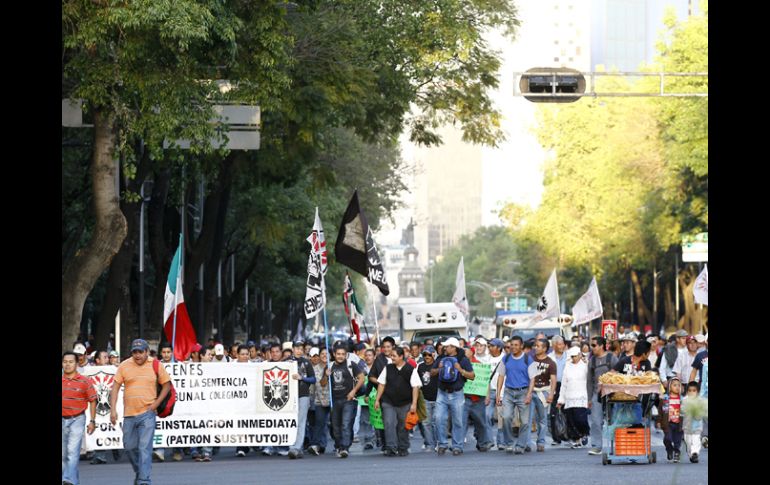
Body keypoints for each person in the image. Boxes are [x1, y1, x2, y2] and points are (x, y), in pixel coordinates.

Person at [109, 339, 171, 485]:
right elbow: (115, 388)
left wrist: (155, 404)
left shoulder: (156, 364)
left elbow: (167, 385)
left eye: (141, 352)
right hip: (129, 414)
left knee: (144, 448)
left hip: (147, 413)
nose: (137, 355)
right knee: (129, 447)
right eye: (135, 352)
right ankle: (140, 472)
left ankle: (144, 480)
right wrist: (113, 410)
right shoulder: (124, 365)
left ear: (147, 352)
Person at [374, 347, 422, 457]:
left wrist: (414, 404)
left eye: (394, 356)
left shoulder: (410, 369)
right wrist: (377, 400)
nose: (392, 358)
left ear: (401, 357)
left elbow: (415, 387)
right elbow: (381, 384)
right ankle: (391, 447)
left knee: (403, 425)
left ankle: (403, 447)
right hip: (388, 401)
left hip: (405, 403)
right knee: (389, 423)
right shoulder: (388, 368)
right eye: (391, 356)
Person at [431, 337, 475, 456]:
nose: (445, 348)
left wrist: (460, 370)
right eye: (445, 346)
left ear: (454, 347)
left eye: (448, 346)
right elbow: (432, 373)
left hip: (457, 394)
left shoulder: (462, 359)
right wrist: (438, 368)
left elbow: (472, 376)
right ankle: (442, 444)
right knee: (439, 418)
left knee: (458, 421)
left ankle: (457, 446)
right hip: (442, 393)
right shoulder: (441, 358)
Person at [62, 351, 98, 485]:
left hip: (77, 418)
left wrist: (92, 421)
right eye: (65, 362)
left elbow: (93, 400)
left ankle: (67, 480)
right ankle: (73, 481)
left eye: (71, 362)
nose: (67, 364)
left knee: (72, 451)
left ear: (77, 364)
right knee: (64, 455)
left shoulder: (85, 381)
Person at [328, 344, 366, 458]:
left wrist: (353, 391)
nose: (340, 356)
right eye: (338, 354)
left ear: (346, 355)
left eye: (343, 354)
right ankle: (339, 445)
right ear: (334, 354)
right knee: (336, 426)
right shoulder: (329, 366)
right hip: (334, 400)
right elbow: (323, 384)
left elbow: (362, 378)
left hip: (348, 399)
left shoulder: (351, 364)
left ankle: (345, 447)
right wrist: (326, 376)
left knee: (346, 424)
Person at [497, 336, 531, 454]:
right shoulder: (505, 359)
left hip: (523, 392)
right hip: (509, 392)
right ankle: (509, 443)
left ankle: (521, 445)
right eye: (512, 345)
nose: (513, 347)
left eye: (516, 345)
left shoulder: (528, 359)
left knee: (525, 421)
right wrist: (498, 394)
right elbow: (501, 376)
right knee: (506, 417)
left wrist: (529, 394)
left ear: (521, 346)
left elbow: (533, 378)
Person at [586, 336, 618, 455]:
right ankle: (596, 446)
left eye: (594, 345)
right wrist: (589, 398)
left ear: (601, 346)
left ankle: (616, 446)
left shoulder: (612, 358)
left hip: (612, 394)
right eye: (591, 345)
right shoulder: (592, 361)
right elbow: (589, 381)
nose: (592, 348)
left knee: (614, 420)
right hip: (596, 395)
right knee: (595, 420)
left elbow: (619, 375)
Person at [526, 338, 557, 453]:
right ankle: (527, 443)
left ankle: (541, 442)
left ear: (545, 348)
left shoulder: (551, 363)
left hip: (543, 392)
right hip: (531, 391)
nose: (535, 348)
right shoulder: (530, 360)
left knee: (542, 420)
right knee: (527, 419)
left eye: (538, 346)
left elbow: (553, 380)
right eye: (535, 346)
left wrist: (551, 395)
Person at [287, 340, 316, 459]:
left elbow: (313, 379)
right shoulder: (286, 362)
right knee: (290, 421)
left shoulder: (306, 362)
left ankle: (297, 447)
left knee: (301, 421)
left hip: (303, 394)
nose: (299, 351)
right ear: (293, 349)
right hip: (288, 395)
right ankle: (291, 445)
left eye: (301, 348)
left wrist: (302, 378)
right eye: (297, 348)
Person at [556, 347, 589, 448]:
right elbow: (564, 384)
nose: (574, 358)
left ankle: (584, 433)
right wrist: (561, 400)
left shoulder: (585, 366)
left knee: (581, 419)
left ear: (579, 355)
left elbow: (589, 383)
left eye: (575, 356)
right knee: (571, 420)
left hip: (582, 396)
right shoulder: (567, 367)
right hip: (569, 397)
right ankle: (576, 439)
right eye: (572, 356)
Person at [309, 347, 332, 455]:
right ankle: (315, 445)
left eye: (326, 353)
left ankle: (340, 445)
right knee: (319, 423)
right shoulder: (315, 368)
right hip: (320, 399)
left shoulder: (334, 366)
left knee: (334, 424)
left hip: (333, 400)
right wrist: (326, 375)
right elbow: (320, 384)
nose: (324, 355)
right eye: (322, 354)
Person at [547, 336, 568, 447]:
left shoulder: (569, 356)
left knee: (567, 410)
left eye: (562, 344)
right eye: (559, 344)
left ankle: (567, 434)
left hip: (567, 385)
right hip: (554, 386)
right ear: (554, 345)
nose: (561, 346)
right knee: (554, 412)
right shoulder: (550, 357)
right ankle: (556, 437)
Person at [417, 346, 438, 451]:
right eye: (424, 355)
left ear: (433, 354)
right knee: (426, 423)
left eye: (429, 354)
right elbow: (417, 383)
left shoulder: (438, 365)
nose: (427, 357)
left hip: (438, 398)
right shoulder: (420, 367)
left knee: (436, 422)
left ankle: (438, 443)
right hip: (425, 398)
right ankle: (430, 444)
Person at [658, 376, 684, 463]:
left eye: (679, 385)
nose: (677, 387)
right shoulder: (665, 399)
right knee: (667, 439)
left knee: (678, 440)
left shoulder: (682, 399)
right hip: (668, 423)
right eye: (674, 385)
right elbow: (660, 411)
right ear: (669, 387)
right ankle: (669, 450)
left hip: (679, 423)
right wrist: (658, 421)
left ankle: (677, 453)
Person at [486, 338, 505, 449]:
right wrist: (487, 394)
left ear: (499, 348)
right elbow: (485, 378)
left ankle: (501, 441)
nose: (490, 348)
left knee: (501, 418)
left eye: (492, 346)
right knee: (487, 416)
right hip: (490, 391)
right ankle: (489, 440)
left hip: (501, 392)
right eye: (489, 346)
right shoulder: (487, 360)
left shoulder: (505, 359)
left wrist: (501, 393)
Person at [682, 381, 706, 463]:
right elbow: (681, 410)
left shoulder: (700, 401)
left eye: (694, 390)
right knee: (688, 442)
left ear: (698, 392)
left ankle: (695, 453)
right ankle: (690, 454)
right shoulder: (685, 400)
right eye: (690, 391)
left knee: (696, 440)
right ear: (687, 391)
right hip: (687, 426)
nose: (692, 393)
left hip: (697, 426)